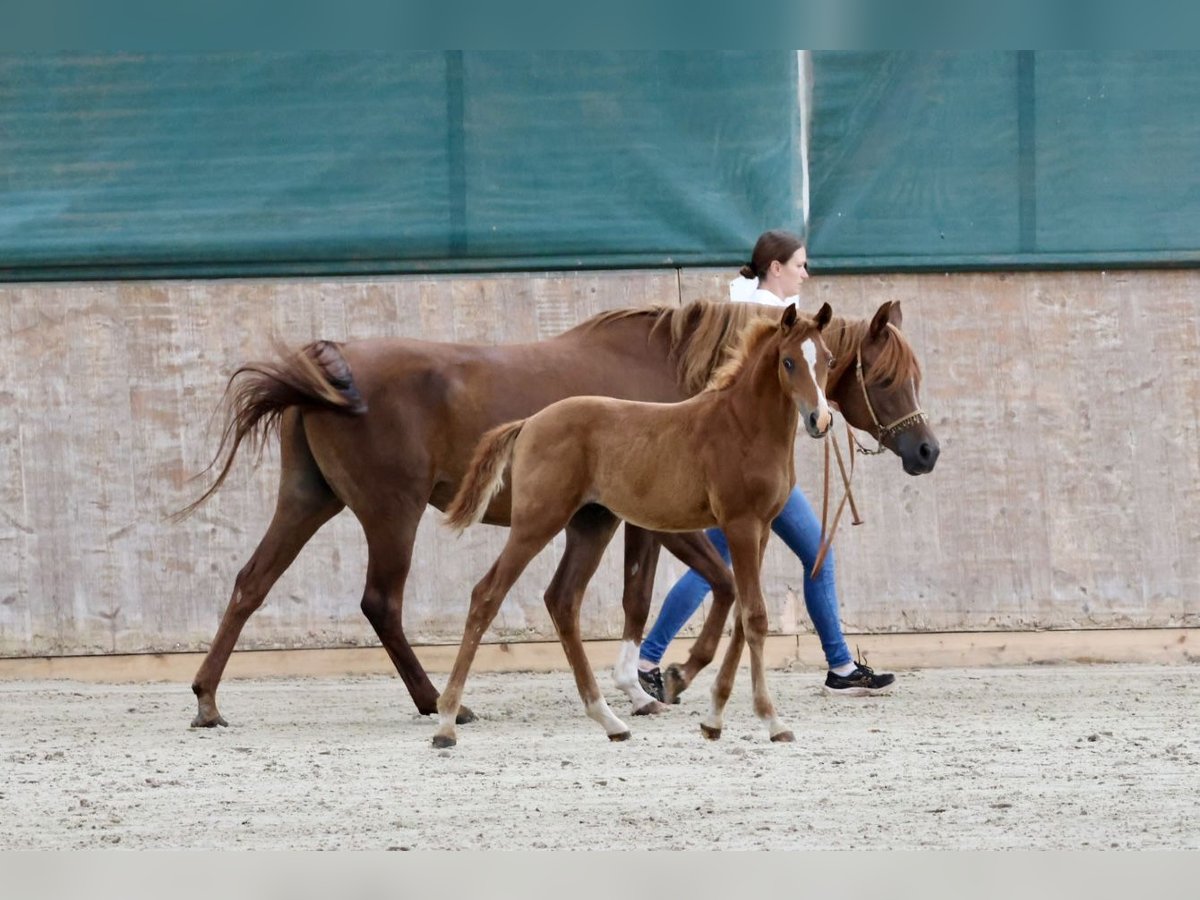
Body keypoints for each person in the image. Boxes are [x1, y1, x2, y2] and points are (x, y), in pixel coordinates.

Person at [637, 229, 895, 699]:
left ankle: (650, 657)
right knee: (748, 562)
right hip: (748, 471)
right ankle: (649, 657)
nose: (805, 273)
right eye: (799, 265)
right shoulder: (763, 317)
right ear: (775, 267)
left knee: (736, 562)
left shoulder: (762, 314)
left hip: (760, 467)